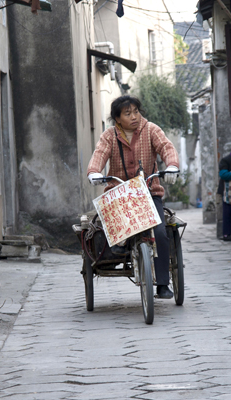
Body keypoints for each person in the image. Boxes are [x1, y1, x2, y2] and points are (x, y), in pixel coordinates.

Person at [86, 95, 179, 299]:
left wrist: (172, 166)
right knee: (113, 235)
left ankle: (163, 284)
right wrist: (94, 172)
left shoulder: (151, 130)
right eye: (127, 113)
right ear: (117, 118)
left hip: (149, 192)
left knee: (161, 233)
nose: (134, 116)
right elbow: (99, 154)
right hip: (119, 194)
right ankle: (120, 252)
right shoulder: (109, 136)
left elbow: (166, 147)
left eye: (136, 111)